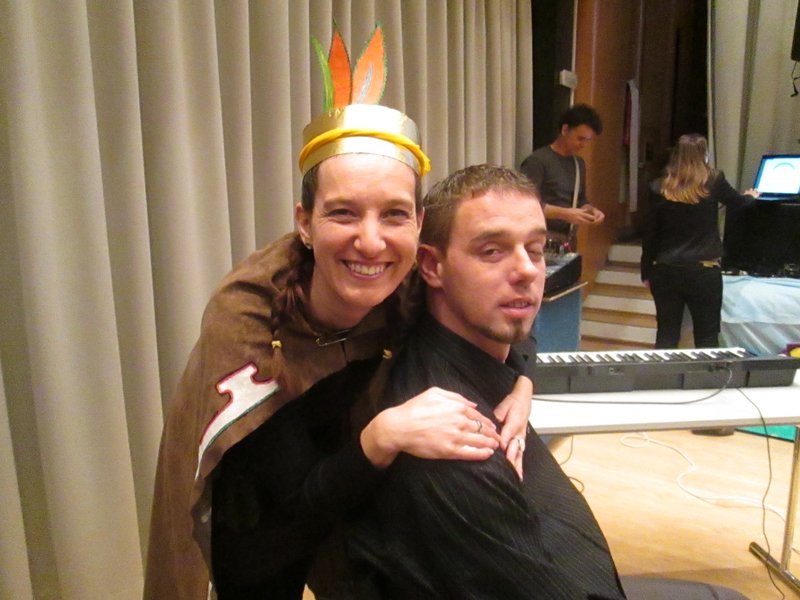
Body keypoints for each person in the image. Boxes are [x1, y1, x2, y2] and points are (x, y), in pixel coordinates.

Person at [143, 28, 532, 600]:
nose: (371, 243)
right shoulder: (249, 321)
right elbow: (278, 521)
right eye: (344, 213)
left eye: (394, 214)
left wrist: (521, 377)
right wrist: (381, 437)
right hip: (258, 537)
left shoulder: (410, 285)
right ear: (304, 222)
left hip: (348, 518)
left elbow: (507, 304)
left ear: (419, 223)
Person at [345, 164, 749, 600]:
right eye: (492, 251)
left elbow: (524, 339)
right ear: (431, 265)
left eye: (536, 249)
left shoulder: (472, 342)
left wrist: (525, 382)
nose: (528, 271)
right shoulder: (456, 445)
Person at [641, 133, 758, 350]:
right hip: (703, 270)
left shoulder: (658, 186)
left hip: (665, 270)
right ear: (705, 155)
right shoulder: (713, 180)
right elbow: (739, 203)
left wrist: (646, 270)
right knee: (706, 338)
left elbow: (650, 234)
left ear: (676, 154)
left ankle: (660, 373)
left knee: (666, 335)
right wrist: (751, 196)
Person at [519, 103, 605, 250]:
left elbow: (581, 199)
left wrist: (591, 211)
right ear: (565, 130)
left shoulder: (578, 163)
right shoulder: (538, 161)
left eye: (587, 140)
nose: (583, 144)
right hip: (540, 239)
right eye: (580, 138)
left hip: (568, 240)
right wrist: (565, 214)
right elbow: (524, 204)